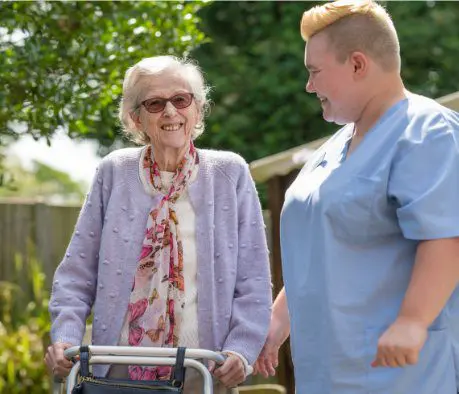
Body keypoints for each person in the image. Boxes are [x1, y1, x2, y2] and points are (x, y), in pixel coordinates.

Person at [253, 1, 459, 393]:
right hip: (328, 374)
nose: (309, 86)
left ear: (358, 64)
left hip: (403, 376)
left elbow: (446, 234)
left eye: (315, 72)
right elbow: (322, 250)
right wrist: (277, 323)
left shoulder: (427, 131)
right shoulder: (331, 149)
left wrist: (413, 321)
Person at [44, 55, 272, 394]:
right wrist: (65, 338)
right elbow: (76, 275)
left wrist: (241, 347)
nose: (170, 111)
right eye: (154, 103)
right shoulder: (114, 172)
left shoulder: (229, 174)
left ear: (197, 110)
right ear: (135, 118)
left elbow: (253, 279)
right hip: (117, 368)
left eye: (181, 100)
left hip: (203, 368)